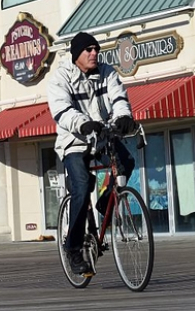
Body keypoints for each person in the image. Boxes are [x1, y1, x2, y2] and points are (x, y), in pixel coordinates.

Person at [47, 31, 137, 275]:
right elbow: (61, 110)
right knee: (81, 185)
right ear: (77, 54)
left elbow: (119, 98)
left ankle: (106, 203)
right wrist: (83, 123)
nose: (94, 53)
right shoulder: (60, 78)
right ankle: (73, 247)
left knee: (127, 162)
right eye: (88, 50)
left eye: (96, 49)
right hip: (74, 141)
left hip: (103, 136)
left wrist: (123, 118)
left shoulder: (107, 72)